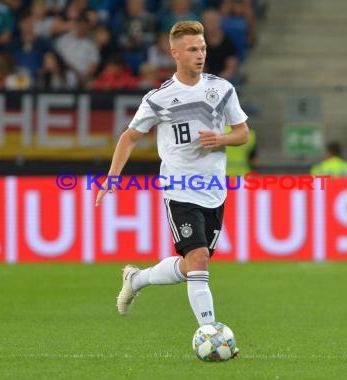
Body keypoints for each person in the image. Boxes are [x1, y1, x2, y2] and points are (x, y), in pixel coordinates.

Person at [94, 21, 249, 346]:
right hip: (178, 189)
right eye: (193, 49)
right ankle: (211, 334)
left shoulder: (222, 89)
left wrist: (221, 137)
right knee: (199, 259)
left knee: (191, 264)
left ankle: (137, 279)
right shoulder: (159, 98)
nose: (200, 55)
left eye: (203, 48)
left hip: (214, 191)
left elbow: (242, 133)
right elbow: (130, 136)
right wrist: (112, 177)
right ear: (174, 52)